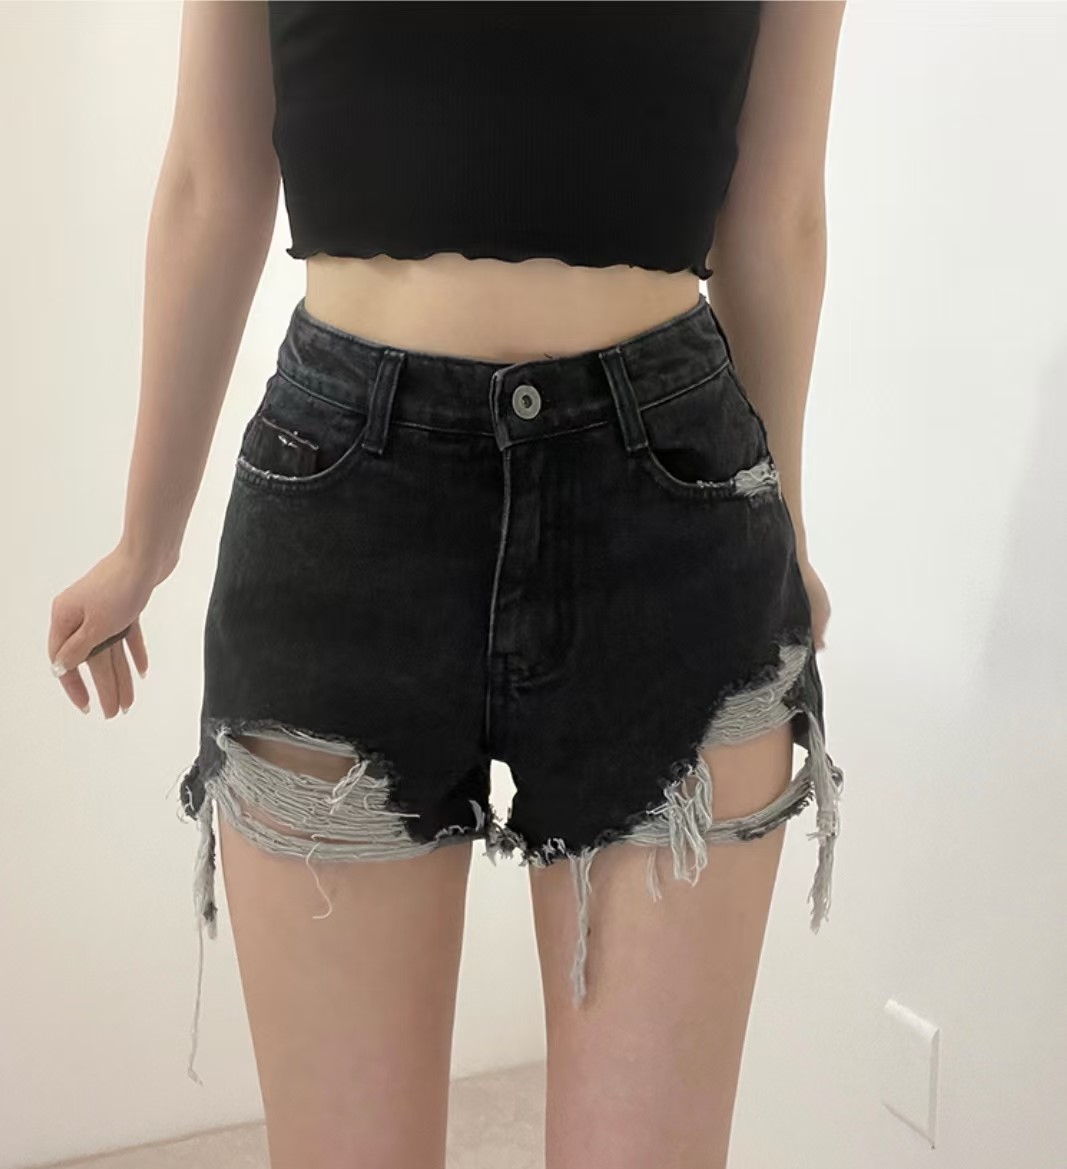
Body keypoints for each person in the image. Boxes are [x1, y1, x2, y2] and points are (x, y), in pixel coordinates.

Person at [47, 2, 847, 1166]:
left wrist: (783, 524)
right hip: (341, 505)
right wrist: (143, 542)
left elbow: (778, 215)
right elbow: (210, 180)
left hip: (671, 514)